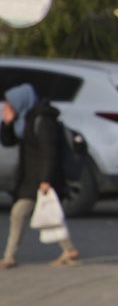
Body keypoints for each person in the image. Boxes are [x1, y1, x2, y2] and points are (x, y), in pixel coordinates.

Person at [1, 83, 80, 268]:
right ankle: (69, 249)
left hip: (42, 178)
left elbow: (50, 152)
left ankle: (9, 257)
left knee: (19, 213)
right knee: (49, 214)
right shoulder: (24, 120)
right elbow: (8, 141)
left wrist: (46, 180)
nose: (7, 108)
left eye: (10, 104)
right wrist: (6, 123)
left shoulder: (43, 120)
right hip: (31, 178)